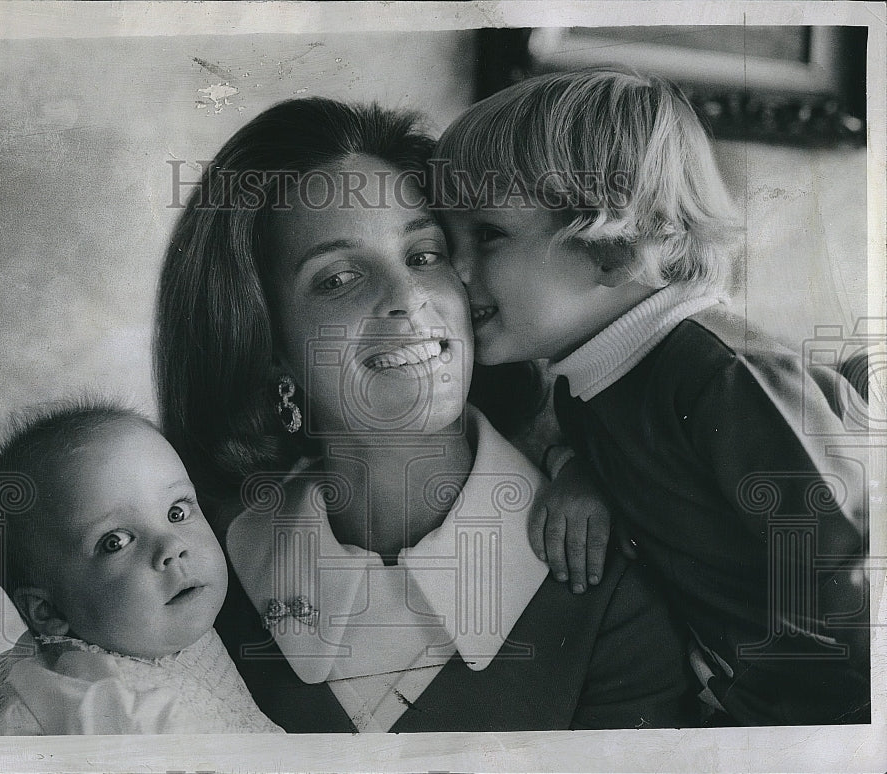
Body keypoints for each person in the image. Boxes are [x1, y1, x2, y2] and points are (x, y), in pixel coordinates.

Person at [154, 96, 698, 732]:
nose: (409, 297)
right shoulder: (198, 576)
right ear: (263, 342)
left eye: (424, 255)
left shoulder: (615, 582)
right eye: (336, 278)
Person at [434, 67, 870, 726]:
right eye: (448, 238)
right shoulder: (591, 379)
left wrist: (782, 718)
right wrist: (576, 471)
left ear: (614, 245)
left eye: (487, 234)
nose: (455, 268)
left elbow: (840, 564)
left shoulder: (720, 373)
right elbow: (570, 428)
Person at [0, 400, 283, 735]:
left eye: (177, 511)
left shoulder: (142, 630)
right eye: (116, 542)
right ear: (47, 611)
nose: (172, 547)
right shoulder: (109, 715)